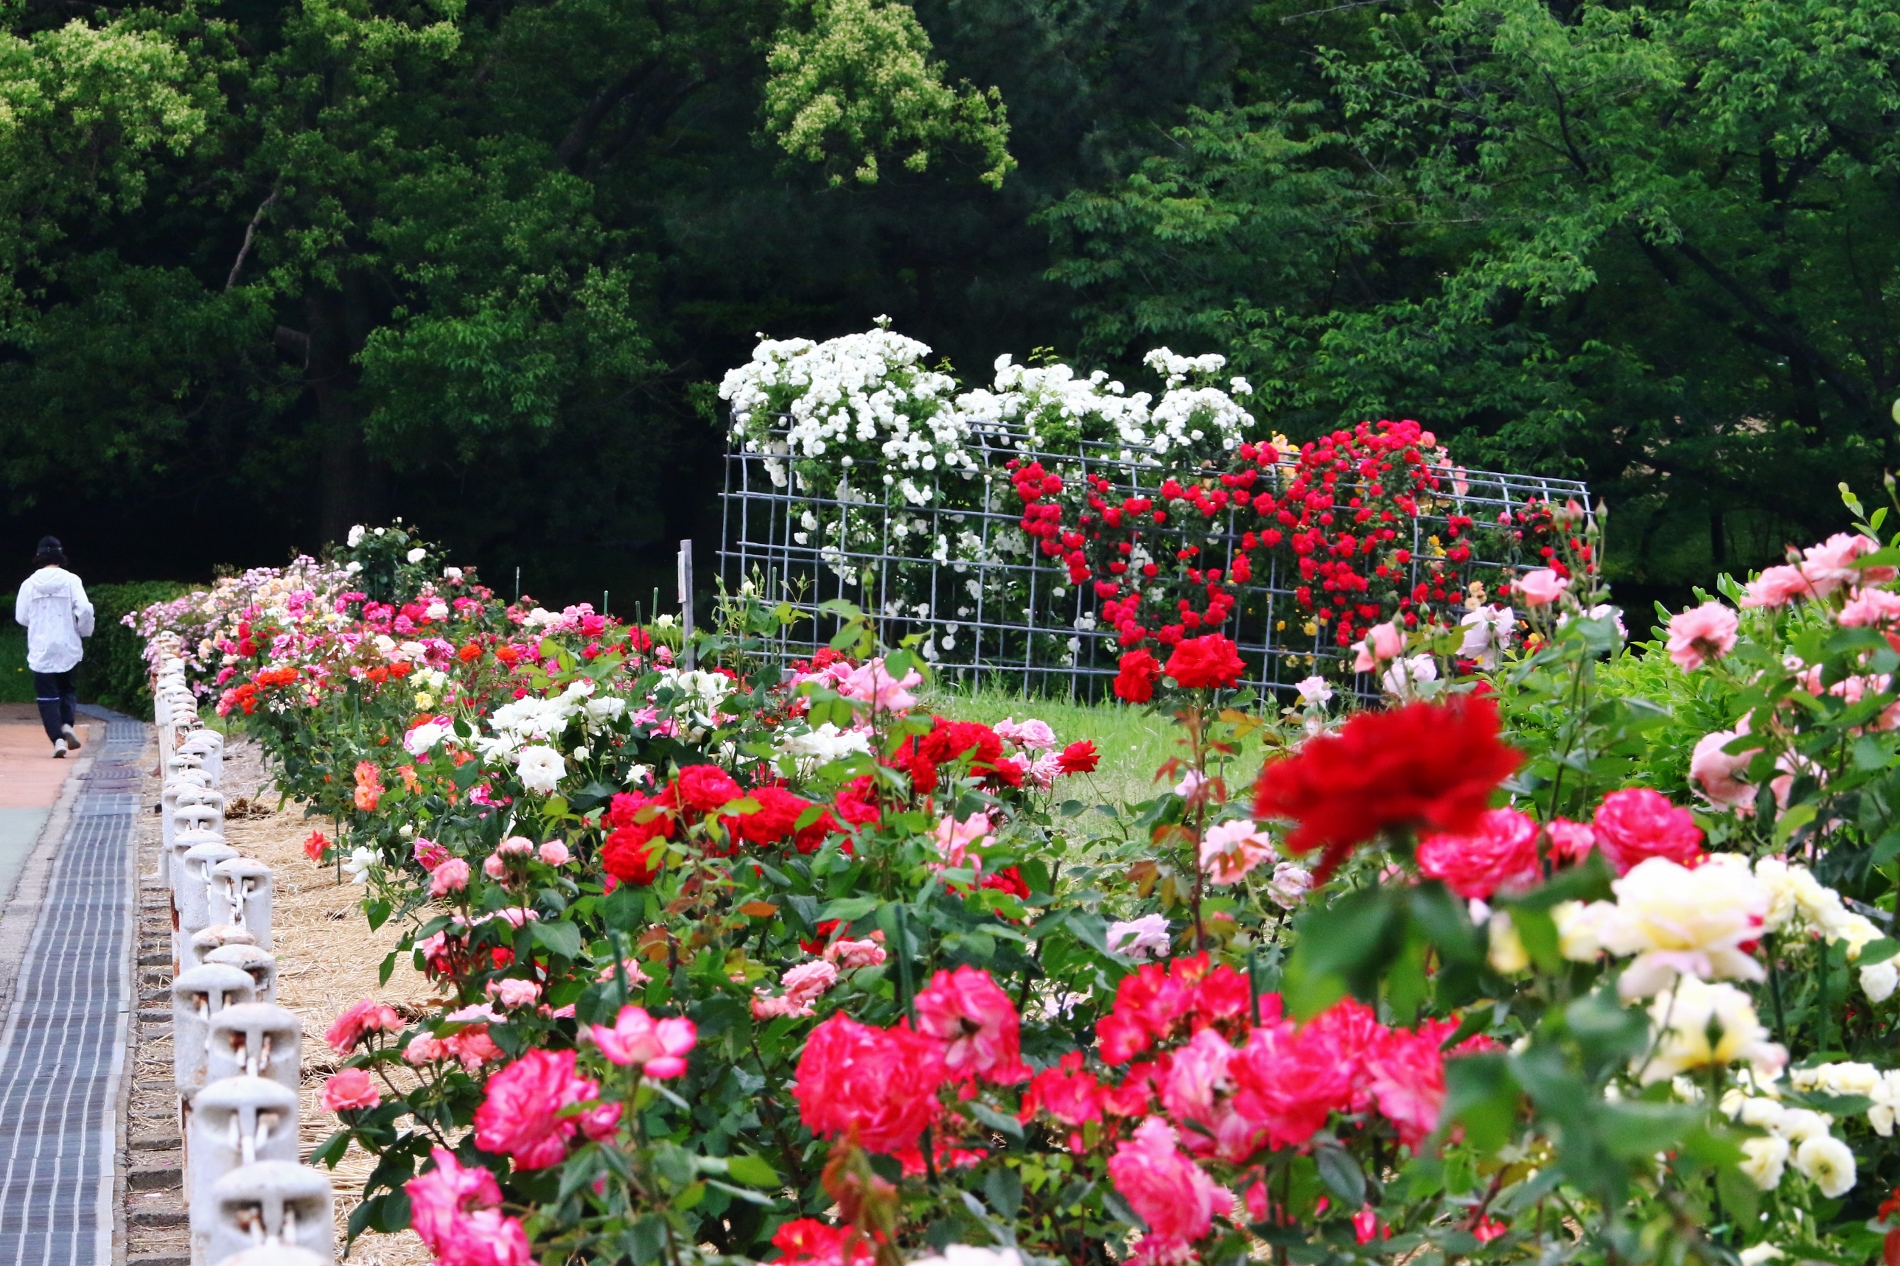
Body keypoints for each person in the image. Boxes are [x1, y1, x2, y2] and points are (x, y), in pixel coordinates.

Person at [16, 537, 93, 757]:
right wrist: (84, 631)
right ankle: (67, 723)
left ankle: (57, 739)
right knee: (67, 688)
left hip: (41, 646)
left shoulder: (29, 584)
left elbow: (21, 617)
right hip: (68, 643)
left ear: (39, 556)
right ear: (60, 556)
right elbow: (85, 609)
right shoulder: (71, 581)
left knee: (46, 695)